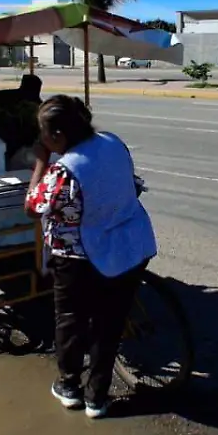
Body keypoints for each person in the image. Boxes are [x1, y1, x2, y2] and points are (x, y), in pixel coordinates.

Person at [24, 95, 157, 418]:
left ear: (57, 136)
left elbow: (32, 207)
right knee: (109, 325)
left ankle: (69, 387)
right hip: (129, 247)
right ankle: (97, 397)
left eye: (44, 134)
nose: (42, 139)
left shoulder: (64, 171)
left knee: (71, 319)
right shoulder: (113, 143)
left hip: (80, 258)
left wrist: (41, 163)